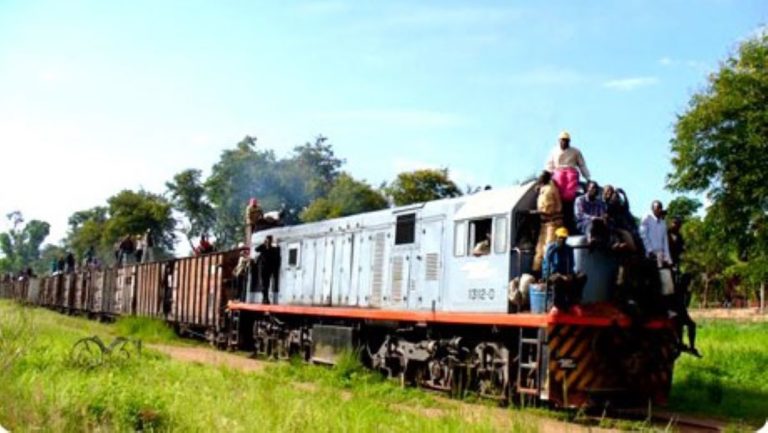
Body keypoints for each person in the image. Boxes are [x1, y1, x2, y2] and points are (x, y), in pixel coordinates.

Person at [545, 131, 591, 231]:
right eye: (563, 140)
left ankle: (569, 202)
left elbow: (582, 165)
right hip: (558, 172)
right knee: (559, 180)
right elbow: (549, 166)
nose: (564, 142)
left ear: (569, 141)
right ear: (559, 141)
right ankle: (561, 203)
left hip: (571, 171)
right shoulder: (554, 151)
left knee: (570, 191)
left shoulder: (575, 152)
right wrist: (545, 176)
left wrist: (588, 178)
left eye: (566, 141)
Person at [668, 217, 700, 357]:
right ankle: (679, 343)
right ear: (672, 223)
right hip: (666, 262)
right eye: (676, 224)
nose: (677, 226)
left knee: (689, 324)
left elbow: (681, 250)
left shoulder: (679, 237)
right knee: (680, 323)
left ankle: (691, 346)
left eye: (679, 224)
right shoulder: (666, 233)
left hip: (675, 265)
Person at [542, 227, 587, 312]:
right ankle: (557, 305)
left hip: (566, 274)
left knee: (581, 277)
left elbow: (571, 264)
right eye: (560, 238)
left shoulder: (569, 249)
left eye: (564, 238)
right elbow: (547, 266)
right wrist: (560, 276)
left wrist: (569, 274)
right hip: (554, 275)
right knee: (558, 280)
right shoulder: (551, 248)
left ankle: (574, 303)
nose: (562, 240)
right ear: (556, 237)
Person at [533, 171, 563, 272]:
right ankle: (537, 271)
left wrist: (542, 211)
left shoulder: (551, 189)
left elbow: (551, 208)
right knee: (540, 249)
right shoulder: (543, 189)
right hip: (544, 224)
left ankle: (548, 274)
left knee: (549, 249)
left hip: (552, 223)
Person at [603, 185, 638, 252]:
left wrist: (624, 195)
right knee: (626, 234)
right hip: (612, 228)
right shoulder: (603, 204)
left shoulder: (616, 203)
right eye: (607, 191)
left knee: (632, 234)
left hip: (620, 226)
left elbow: (626, 208)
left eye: (610, 190)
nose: (609, 192)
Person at [573, 181, 609, 247]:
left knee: (607, 224)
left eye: (595, 188)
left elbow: (602, 214)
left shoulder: (599, 203)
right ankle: (590, 239)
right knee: (590, 223)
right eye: (592, 188)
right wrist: (592, 218)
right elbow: (579, 215)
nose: (593, 190)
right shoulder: (580, 200)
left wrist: (604, 217)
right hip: (582, 223)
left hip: (597, 223)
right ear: (587, 188)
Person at [255, 235, 281, 304]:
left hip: (268, 269)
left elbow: (275, 257)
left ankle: (265, 298)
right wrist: (263, 244)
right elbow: (256, 249)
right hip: (262, 268)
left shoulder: (272, 249)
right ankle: (265, 298)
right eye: (268, 240)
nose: (269, 241)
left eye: (270, 240)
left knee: (267, 284)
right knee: (263, 284)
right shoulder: (263, 247)